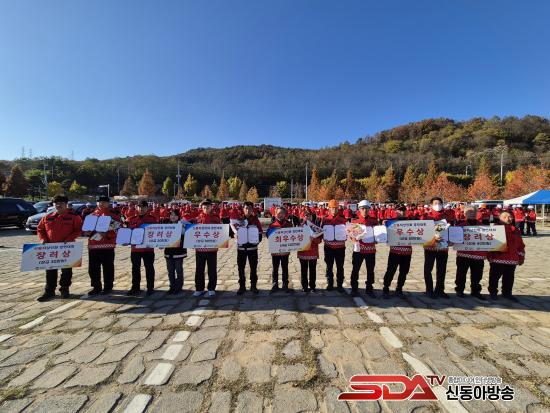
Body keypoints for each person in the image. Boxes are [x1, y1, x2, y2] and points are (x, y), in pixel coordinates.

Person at [36, 195, 83, 301]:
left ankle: (64, 289)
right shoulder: (48, 217)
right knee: (50, 270)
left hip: (67, 248)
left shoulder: (73, 217)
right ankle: (49, 291)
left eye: (61, 203)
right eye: (56, 203)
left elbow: (79, 229)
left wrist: (69, 238)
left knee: (66, 270)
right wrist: (42, 239)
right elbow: (40, 229)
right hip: (51, 248)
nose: (58, 205)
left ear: (66, 205)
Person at [85, 196, 121, 295]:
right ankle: (96, 287)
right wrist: (88, 232)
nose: (102, 204)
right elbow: (86, 231)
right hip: (93, 245)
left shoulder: (113, 216)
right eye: (99, 202)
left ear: (108, 203)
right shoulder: (91, 216)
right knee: (93, 268)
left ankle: (108, 287)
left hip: (108, 245)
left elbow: (119, 230)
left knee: (108, 268)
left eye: (104, 202)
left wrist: (107, 234)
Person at [487, 211, 525, 301]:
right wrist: (489, 255)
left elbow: (520, 245)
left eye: (510, 217)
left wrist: (521, 257)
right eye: (505, 217)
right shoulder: (494, 229)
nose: (508, 218)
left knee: (509, 278)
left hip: (512, 258)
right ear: (499, 218)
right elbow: (489, 244)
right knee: (494, 277)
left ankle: (507, 293)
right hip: (498, 258)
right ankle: (493, 293)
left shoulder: (515, 230)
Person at [454, 206, 486, 300]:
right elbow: (454, 239)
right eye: (469, 212)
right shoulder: (460, 226)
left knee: (477, 274)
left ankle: (475, 291)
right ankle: (460, 290)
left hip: (478, 255)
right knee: (461, 273)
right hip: (463, 254)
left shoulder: (483, 226)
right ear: (464, 213)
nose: (472, 213)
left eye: (474, 212)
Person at [126, 200, 158, 296]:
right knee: (135, 268)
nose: (141, 209)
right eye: (139, 207)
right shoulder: (131, 219)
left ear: (147, 208)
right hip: (135, 249)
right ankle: (135, 287)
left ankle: (150, 288)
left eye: (143, 207)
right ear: (136, 207)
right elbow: (127, 232)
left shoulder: (152, 219)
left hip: (148, 249)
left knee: (149, 268)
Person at [422, 196, 450, 299]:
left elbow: (451, 230)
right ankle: (429, 290)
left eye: (439, 203)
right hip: (430, 246)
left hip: (443, 247)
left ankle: (440, 290)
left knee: (442, 269)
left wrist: (452, 238)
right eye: (435, 203)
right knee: (428, 269)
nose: (437, 205)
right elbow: (422, 231)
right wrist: (433, 238)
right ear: (431, 205)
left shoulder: (447, 216)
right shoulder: (426, 216)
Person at [349, 200, 378, 297]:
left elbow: (377, 234)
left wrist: (377, 239)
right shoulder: (355, 221)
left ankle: (369, 288)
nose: (365, 210)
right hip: (358, 250)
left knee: (370, 270)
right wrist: (354, 238)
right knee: (355, 269)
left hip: (370, 250)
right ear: (359, 209)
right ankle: (354, 288)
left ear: (369, 209)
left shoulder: (374, 221)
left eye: (367, 208)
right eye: (362, 208)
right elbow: (351, 236)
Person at [193, 199, 221, 297]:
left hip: (212, 249)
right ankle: (199, 288)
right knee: (199, 269)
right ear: (202, 207)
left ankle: (211, 288)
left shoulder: (216, 218)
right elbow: (192, 232)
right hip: (200, 249)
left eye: (208, 206)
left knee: (212, 269)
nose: (206, 208)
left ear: (211, 207)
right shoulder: (197, 219)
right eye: (204, 207)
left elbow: (221, 231)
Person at [382, 207, 412, 298]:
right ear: (396, 212)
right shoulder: (391, 222)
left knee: (404, 271)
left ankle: (399, 288)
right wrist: (384, 224)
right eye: (399, 211)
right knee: (391, 270)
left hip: (407, 251)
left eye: (403, 211)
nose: (401, 212)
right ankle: (386, 287)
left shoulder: (411, 222)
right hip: (395, 251)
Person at [235, 201, 263, 295]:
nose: (248, 210)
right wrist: (235, 235)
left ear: (252, 210)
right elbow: (233, 232)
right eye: (246, 208)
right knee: (241, 268)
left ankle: (253, 286)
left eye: (250, 208)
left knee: (253, 268)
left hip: (252, 249)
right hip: (241, 249)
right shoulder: (239, 220)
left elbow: (260, 233)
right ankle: (242, 286)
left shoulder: (255, 220)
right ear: (243, 209)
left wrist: (255, 241)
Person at [320, 199, 347, 292]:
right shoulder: (325, 219)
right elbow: (321, 231)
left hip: (340, 248)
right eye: (332, 208)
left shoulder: (343, 219)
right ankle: (330, 283)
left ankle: (340, 285)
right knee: (329, 266)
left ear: (338, 208)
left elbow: (347, 231)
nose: (334, 210)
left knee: (340, 267)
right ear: (329, 208)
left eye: (335, 208)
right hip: (329, 248)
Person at [268, 206, 293, 293]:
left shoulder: (289, 224)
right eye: (278, 213)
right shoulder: (272, 225)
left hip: (285, 251)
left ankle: (285, 284)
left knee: (285, 267)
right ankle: (275, 284)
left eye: (282, 213)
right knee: (275, 268)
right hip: (275, 251)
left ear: (285, 214)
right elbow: (268, 236)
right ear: (275, 214)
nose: (280, 215)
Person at [298, 209, 323, 292]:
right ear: (303, 217)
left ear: (312, 217)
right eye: (306, 216)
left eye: (309, 216)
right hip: (303, 252)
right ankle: (304, 286)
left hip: (313, 251)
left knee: (312, 270)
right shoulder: (299, 227)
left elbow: (319, 240)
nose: (307, 217)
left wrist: (314, 239)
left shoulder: (316, 227)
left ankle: (312, 286)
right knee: (303, 270)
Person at [164, 209, 187, 294]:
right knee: (170, 271)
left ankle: (179, 287)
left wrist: (183, 225)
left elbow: (186, 235)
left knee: (179, 270)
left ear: (178, 216)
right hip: (169, 252)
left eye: (175, 215)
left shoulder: (182, 225)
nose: (173, 217)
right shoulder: (166, 226)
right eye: (171, 215)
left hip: (178, 252)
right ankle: (172, 286)